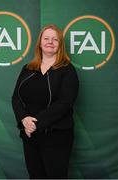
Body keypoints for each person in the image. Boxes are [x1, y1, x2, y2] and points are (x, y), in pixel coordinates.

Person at [12, 24, 79, 179]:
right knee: (35, 176)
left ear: (60, 45)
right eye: (46, 38)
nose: (50, 42)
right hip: (30, 135)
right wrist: (24, 119)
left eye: (55, 39)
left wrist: (36, 123)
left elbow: (65, 103)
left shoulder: (67, 70)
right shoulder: (28, 68)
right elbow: (16, 98)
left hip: (57, 136)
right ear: (40, 42)